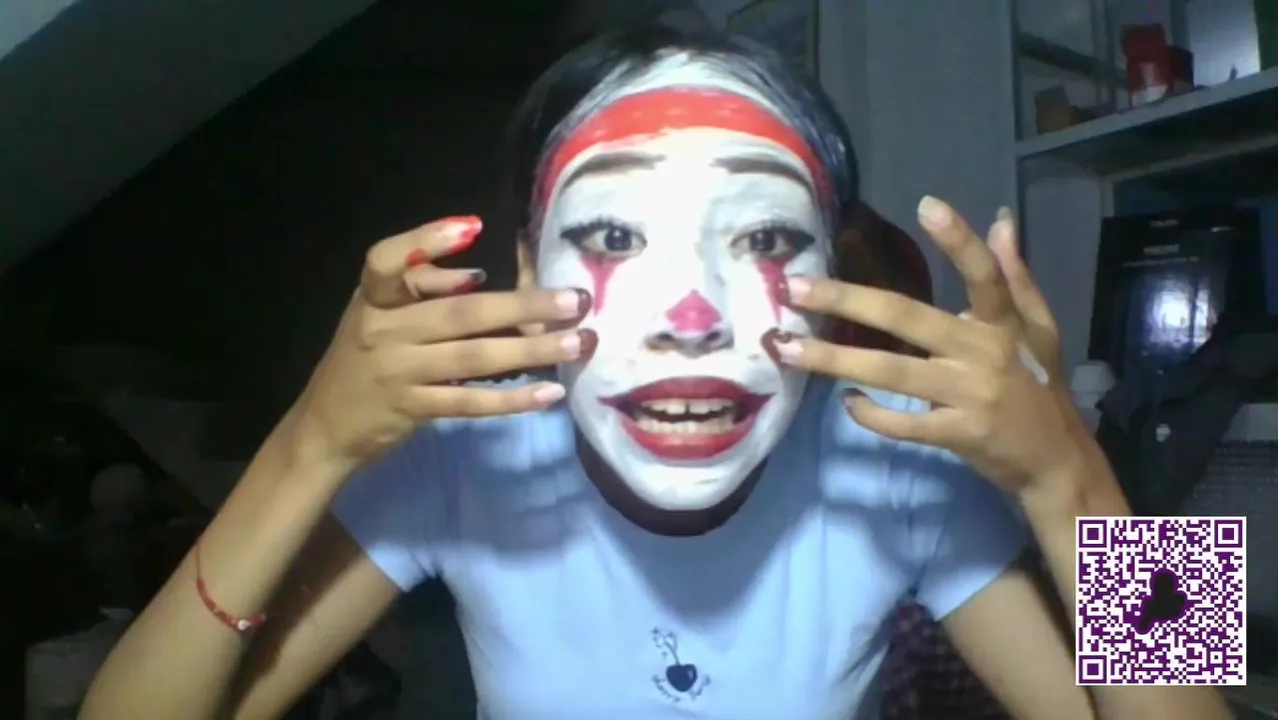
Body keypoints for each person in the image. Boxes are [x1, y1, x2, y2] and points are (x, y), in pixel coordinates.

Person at [82, 20, 1228, 720]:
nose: (691, 317)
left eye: (764, 237)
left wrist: (1078, 479)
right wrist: (308, 442)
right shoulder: (467, 451)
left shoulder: (891, 460)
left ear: (831, 267)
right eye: (614, 235)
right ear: (526, 264)